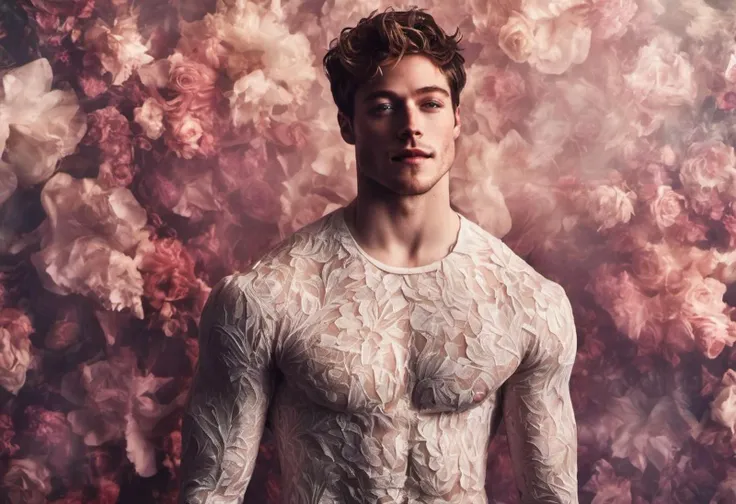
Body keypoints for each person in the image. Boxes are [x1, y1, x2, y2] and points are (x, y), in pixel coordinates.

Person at [178, 7, 579, 504]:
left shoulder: (529, 302)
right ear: (348, 124)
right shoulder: (263, 298)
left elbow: (553, 498)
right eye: (384, 107)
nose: (410, 126)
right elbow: (211, 495)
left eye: (430, 104)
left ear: (457, 119)